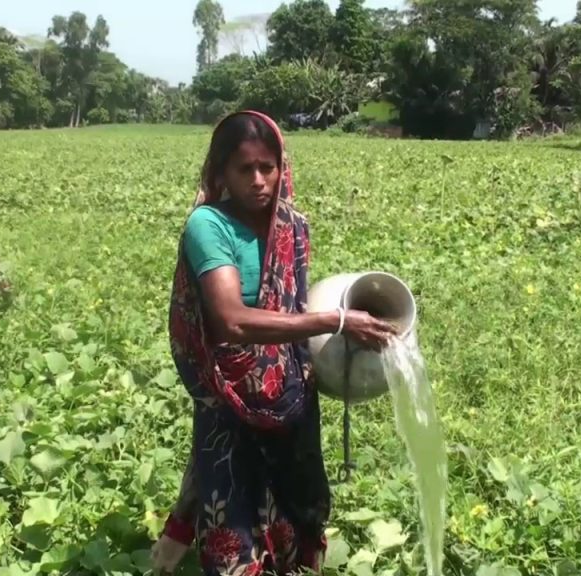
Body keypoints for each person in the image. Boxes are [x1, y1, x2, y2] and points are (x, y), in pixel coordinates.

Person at [151, 110, 398, 576]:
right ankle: (194, 542)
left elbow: (289, 306)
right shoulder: (209, 225)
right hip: (228, 390)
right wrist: (336, 321)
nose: (259, 180)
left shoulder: (291, 227)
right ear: (221, 172)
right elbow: (232, 321)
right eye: (245, 169)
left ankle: (184, 539)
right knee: (231, 516)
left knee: (292, 511)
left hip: (289, 396)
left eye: (268, 167)